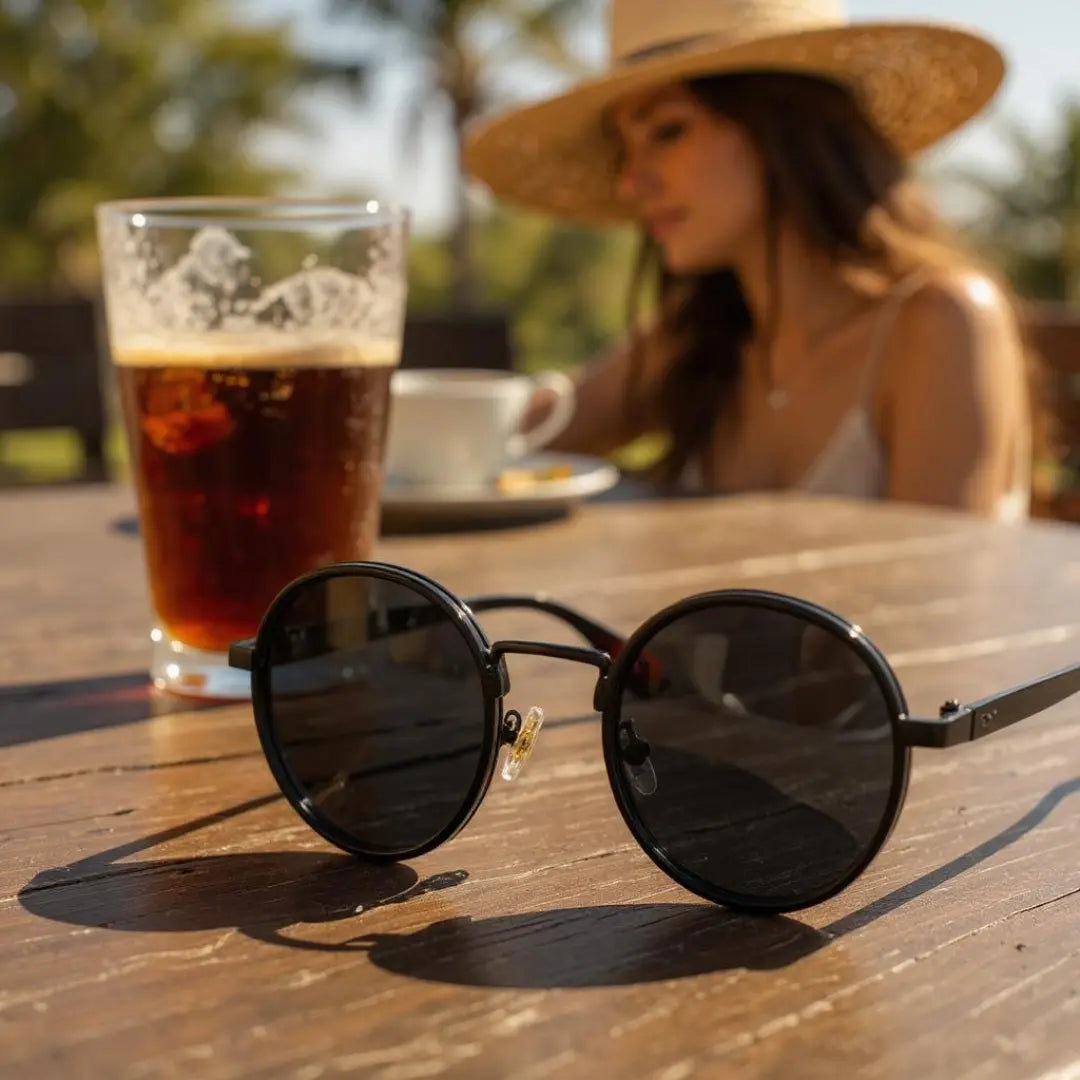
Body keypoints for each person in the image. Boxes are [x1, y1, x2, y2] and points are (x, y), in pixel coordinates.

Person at [463, 0, 1034, 520]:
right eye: (625, 150)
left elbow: (946, 603)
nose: (631, 182)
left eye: (667, 131)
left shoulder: (939, 322)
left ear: (781, 128)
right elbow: (510, 440)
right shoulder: (699, 338)